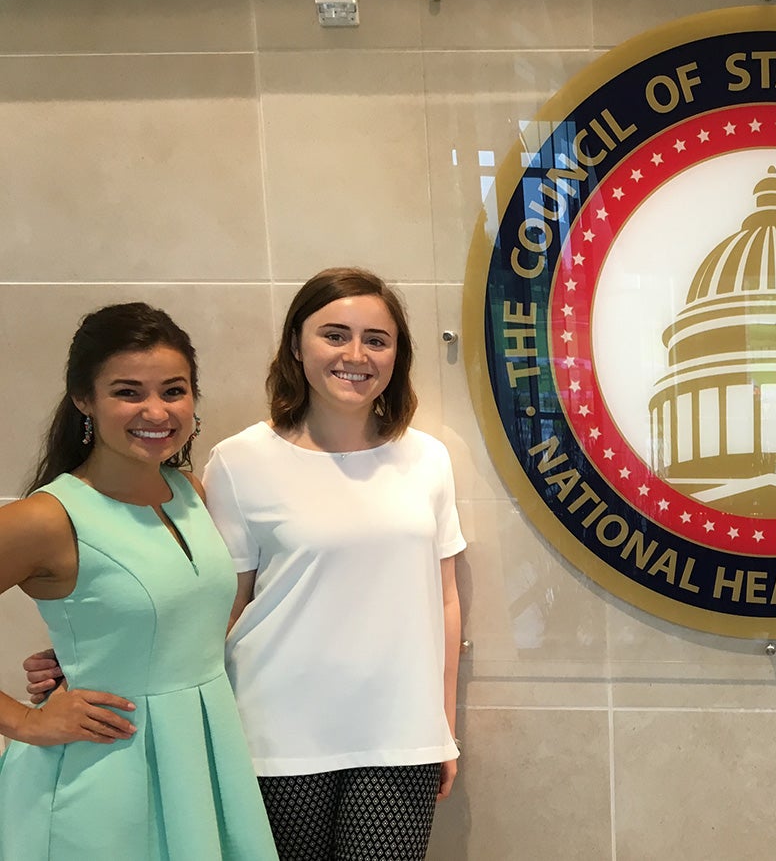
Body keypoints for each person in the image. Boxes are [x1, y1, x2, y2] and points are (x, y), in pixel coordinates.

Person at [27, 269, 466, 861]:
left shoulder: (428, 460)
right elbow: (218, 602)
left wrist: (442, 724)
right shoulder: (239, 462)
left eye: (376, 339)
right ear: (296, 345)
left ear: (397, 354)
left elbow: (443, 599)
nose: (355, 354)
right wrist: (101, 652)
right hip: (271, 734)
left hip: (400, 738)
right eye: (334, 334)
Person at [0, 303, 277, 859]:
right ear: (85, 399)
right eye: (128, 391)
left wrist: (88, 645)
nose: (156, 410)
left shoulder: (191, 493)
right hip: (104, 777)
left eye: (174, 390)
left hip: (202, 760)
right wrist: (26, 722)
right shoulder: (47, 517)